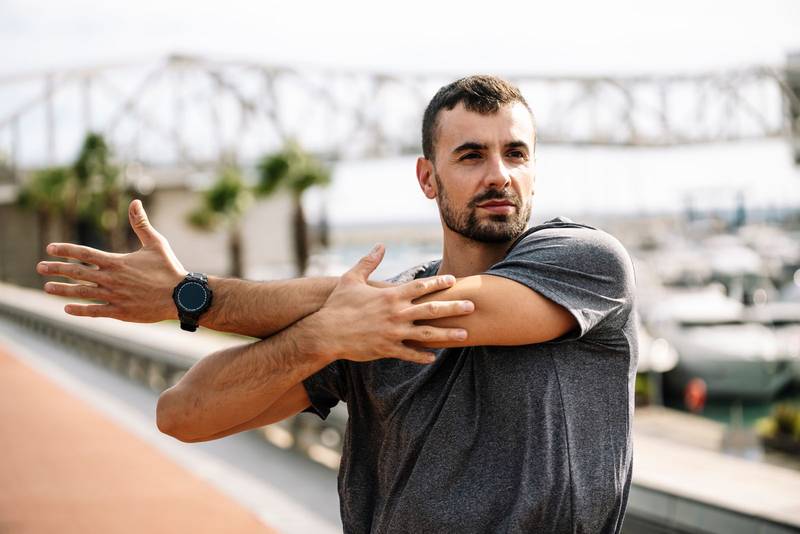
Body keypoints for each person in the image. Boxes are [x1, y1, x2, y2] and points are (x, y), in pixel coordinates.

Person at [36, 75, 637, 533]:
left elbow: (424, 310)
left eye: (517, 153)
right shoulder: (354, 326)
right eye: (472, 155)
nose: (499, 174)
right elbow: (182, 414)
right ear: (428, 179)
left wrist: (188, 296)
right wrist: (319, 339)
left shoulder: (586, 261)